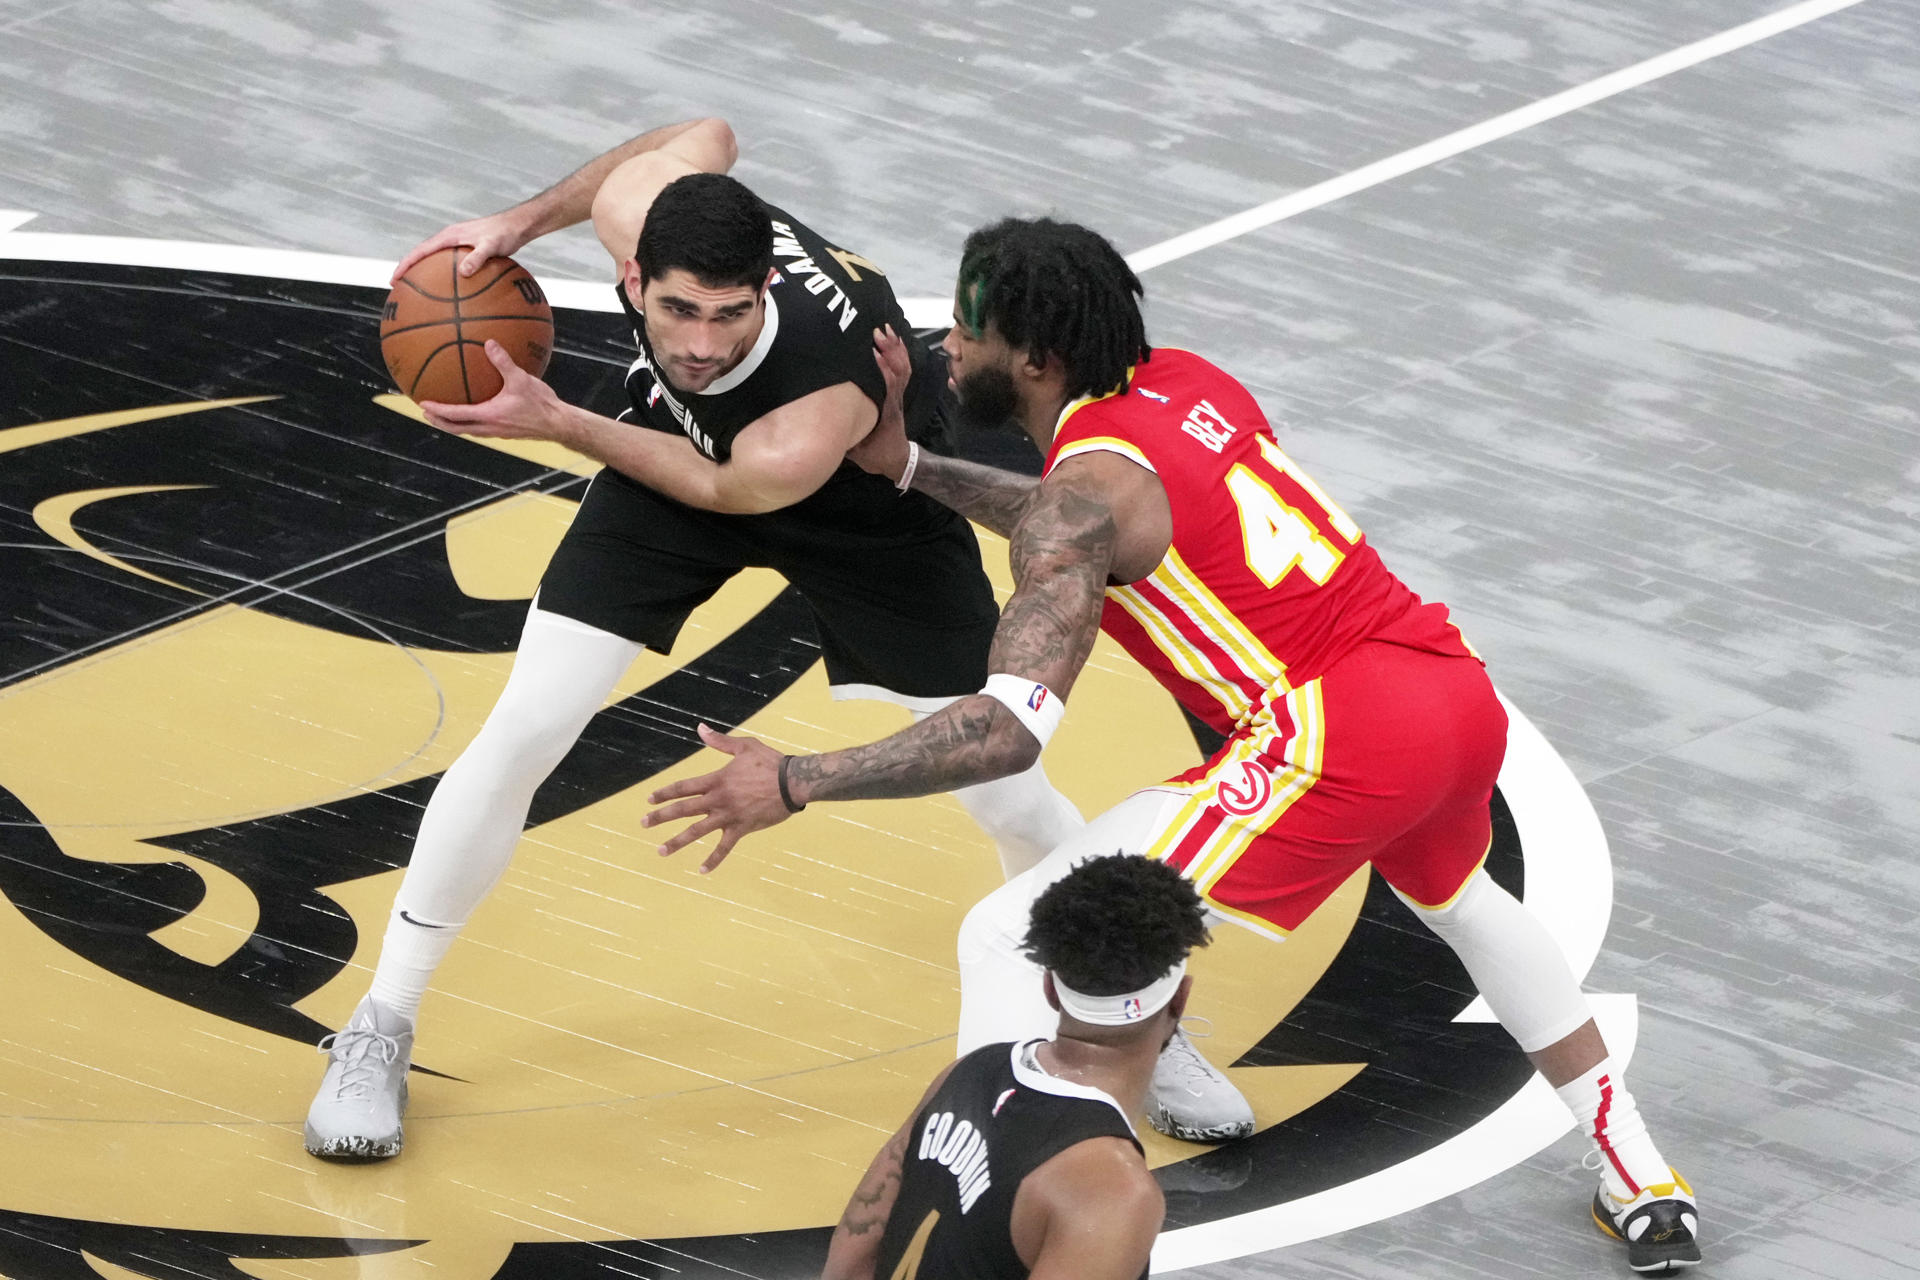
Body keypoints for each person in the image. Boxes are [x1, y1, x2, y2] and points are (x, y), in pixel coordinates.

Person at [645, 217, 1703, 1274]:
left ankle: (993, 1217)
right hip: (1451, 690)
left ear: (1038, 359)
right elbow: (1089, 516)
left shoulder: (1082, 501)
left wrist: (795, 777)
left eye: (968, 328)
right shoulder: (1185, 384)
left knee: (1006, 929)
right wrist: (915, 465)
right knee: (1462, 900)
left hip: (1337, 734)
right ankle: (1639, 1169)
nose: (946, 345)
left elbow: (1007, 729)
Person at [303, 118, 1101, 1160]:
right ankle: (381, 1024)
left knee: (1003, 783)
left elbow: (733, 485)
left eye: (733, 314)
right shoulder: (639, 204)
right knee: (526, 725)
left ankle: (1122, 995)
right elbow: (704, 134)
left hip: (859, 503)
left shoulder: (821, 394)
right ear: (631, 270)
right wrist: (519, 222)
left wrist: (560, 420)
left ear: (766, 285)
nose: (701, 343)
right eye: (677, 309)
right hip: (677, 463)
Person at [825, 854, 1205, 1280]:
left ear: (1050, 989)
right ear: (1180, 999)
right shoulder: (1111, 1188)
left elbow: (853, 1252)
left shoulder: (966, 1075)